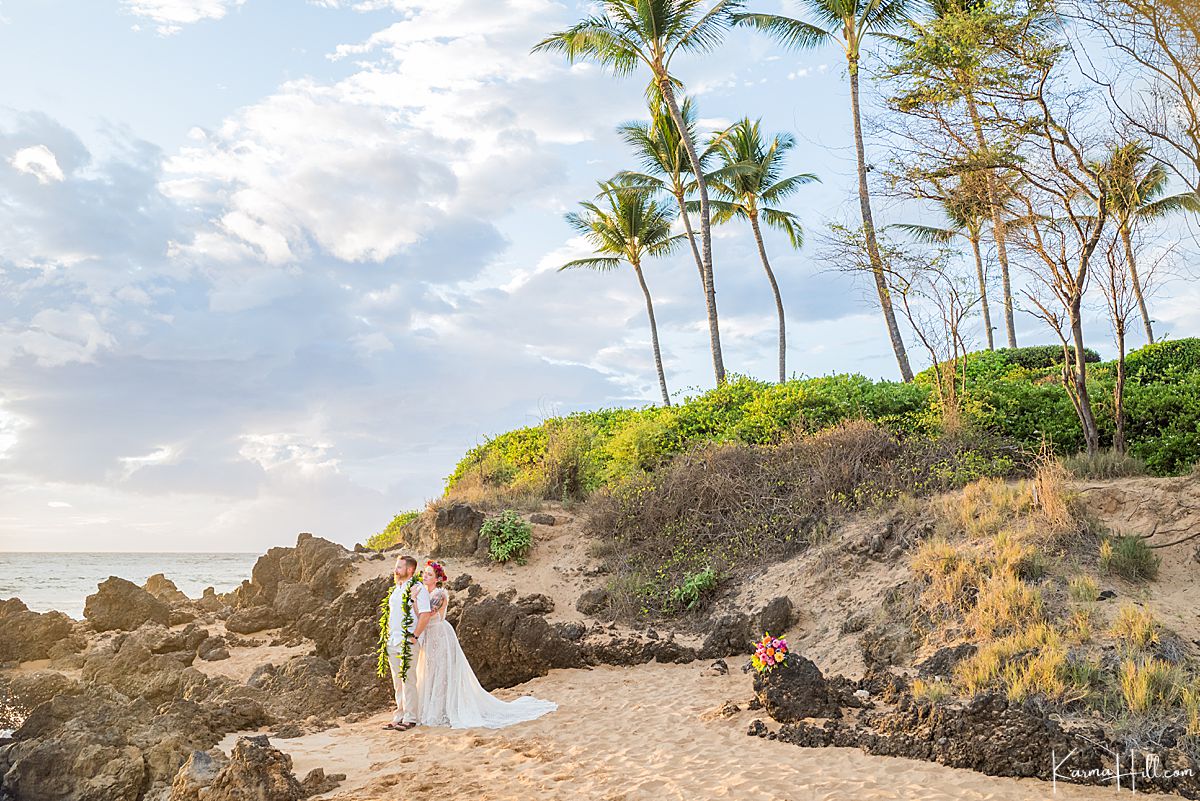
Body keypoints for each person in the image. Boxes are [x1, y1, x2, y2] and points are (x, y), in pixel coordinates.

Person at [413, 559, 557, 729]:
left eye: (429, 574)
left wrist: (414, 599)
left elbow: (427, 615)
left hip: (440, 634)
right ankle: (432, 709)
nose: (425, 576)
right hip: (430, 636)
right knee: (431, 671)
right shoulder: (426, 593)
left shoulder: (438, 594)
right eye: (424, 573)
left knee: (441, 672)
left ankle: (439, 712)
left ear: (437, 578)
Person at [383, 555, 432, 732]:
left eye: (399, 567)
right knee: (397, 680)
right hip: (393, 640)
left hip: (408, 640)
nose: (395, 570)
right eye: (396, 567)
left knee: (408, 679)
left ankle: (410, 717)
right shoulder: (396, 589)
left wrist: (415, 636)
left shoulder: (418, 589)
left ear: (410, 569)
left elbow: (425, 614)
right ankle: (399, 715)